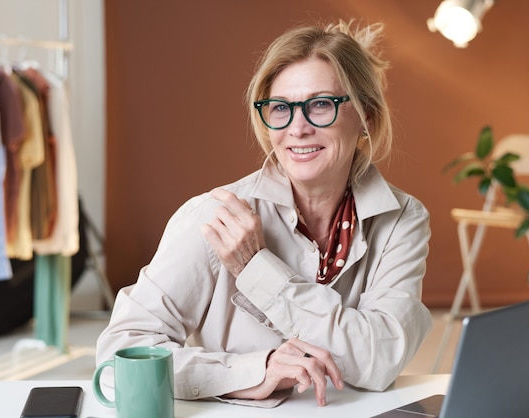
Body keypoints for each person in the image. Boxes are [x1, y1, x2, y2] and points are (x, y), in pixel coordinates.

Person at [96, 19, 432, 407]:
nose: (298, 127)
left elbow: (380, 359)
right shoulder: (215, 217)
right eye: (281, 108)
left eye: (321, 104)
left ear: (366, 118)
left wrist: (258, 269)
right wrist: (251, 373)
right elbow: (120, 356)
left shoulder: (403, 219)